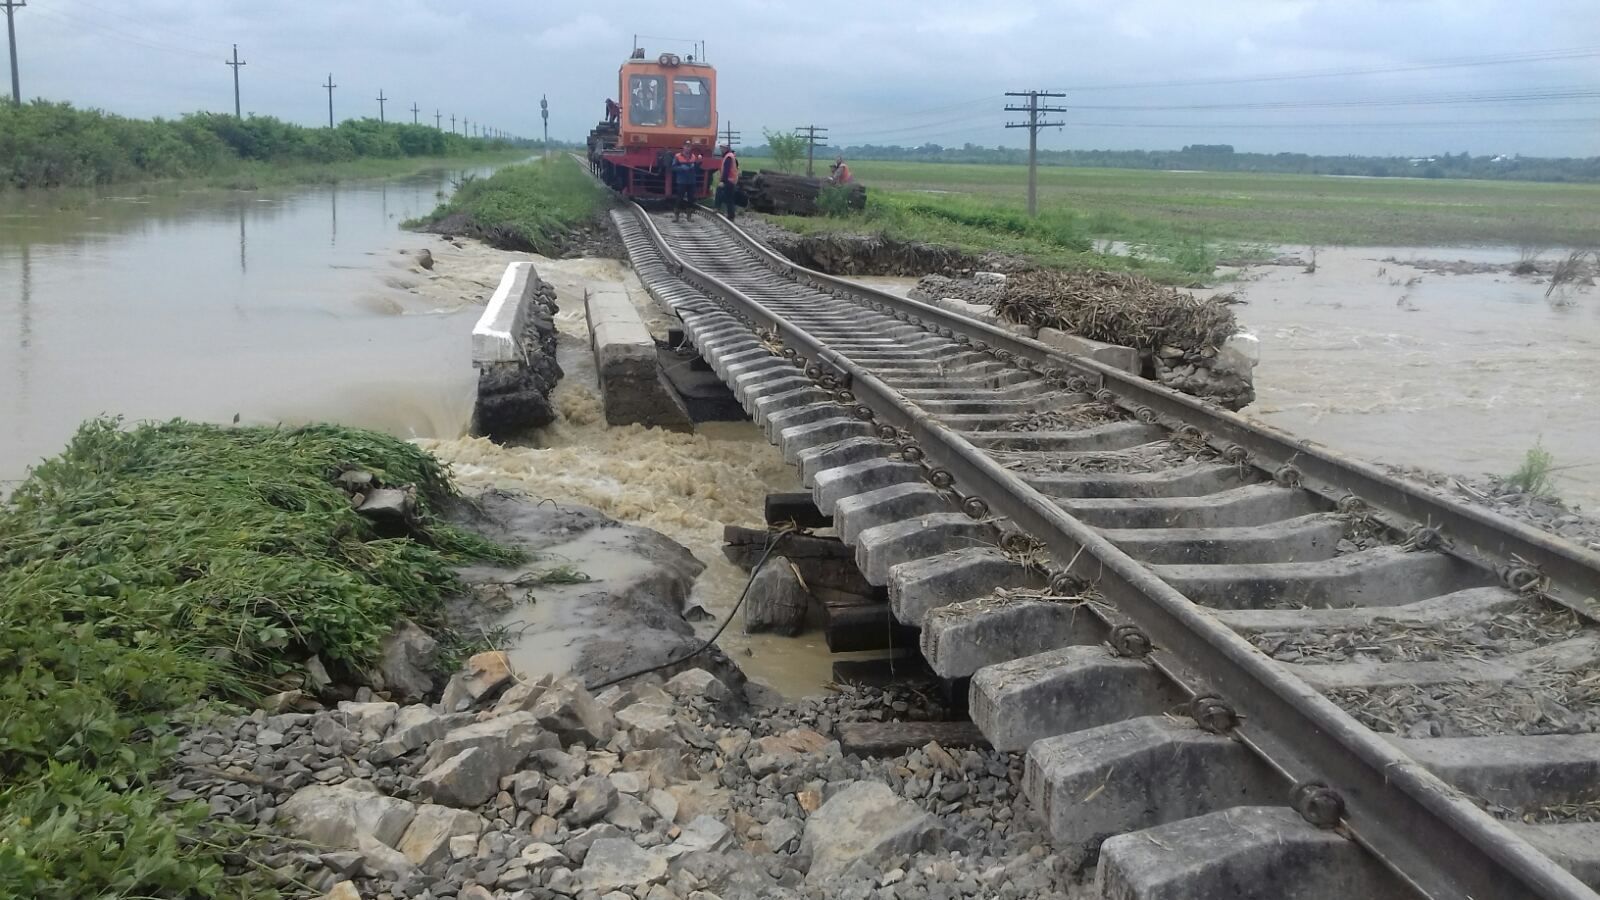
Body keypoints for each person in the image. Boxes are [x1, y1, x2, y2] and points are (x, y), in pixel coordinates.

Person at [671, 141, 702, 221]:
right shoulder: (677, 156)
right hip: (681, 181)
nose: (688, 148)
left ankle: (689, 217)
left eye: (689, 146)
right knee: (679, 198)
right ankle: (676, 216)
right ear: (683, 147)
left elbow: (697, 169)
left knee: (691, 199)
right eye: (686, 146)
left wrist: (698, 163)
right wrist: (682, 168)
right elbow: (673, 167)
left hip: (691, 181)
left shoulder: (693, 157)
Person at [716, 143, 740, 220]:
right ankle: (731, 215)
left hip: (729, 180)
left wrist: (723, 181)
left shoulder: (728, 157)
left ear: (725, 148)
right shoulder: (730, 156)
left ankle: (717, 208)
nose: (721, 150)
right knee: (729, 198)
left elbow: (726, 170)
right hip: (732, 180)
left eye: (721, 148)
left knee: (719, 191)